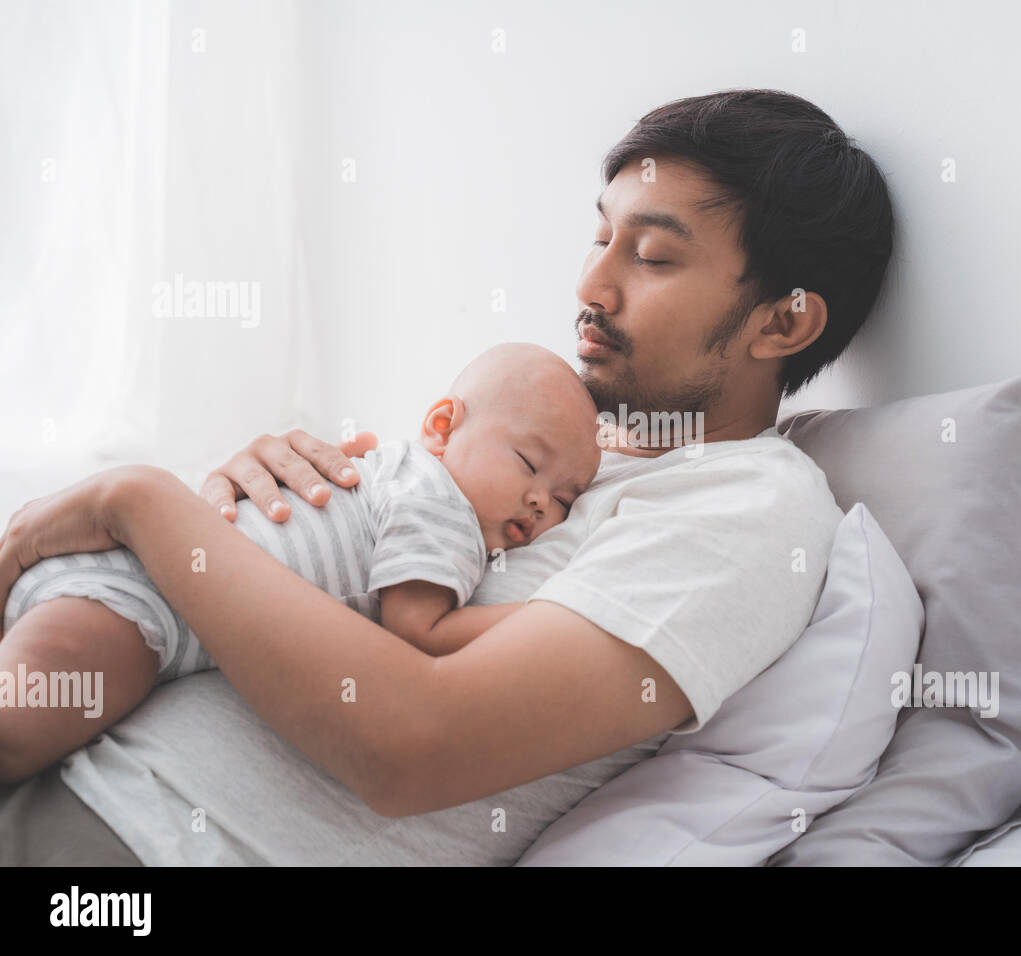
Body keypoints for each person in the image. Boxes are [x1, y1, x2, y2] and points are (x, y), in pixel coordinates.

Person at [0, 88, 893, 865]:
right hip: (68, 753)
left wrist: (143, 506)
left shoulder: (745, 506)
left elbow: (413, 745)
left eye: (652, 257)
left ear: (783, 324)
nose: (593, 283)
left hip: (125, 843)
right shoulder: (545, 432)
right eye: (599, 236)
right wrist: (246, 513)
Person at [0, 343, 602, 782]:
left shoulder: (389, 472)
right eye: (528, 463)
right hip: (138, 601)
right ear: (442, 427)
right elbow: (420, 630)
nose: (539, 501)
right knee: (15, 738)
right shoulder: (445, 509)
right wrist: (553, 614)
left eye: (564, 499)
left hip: (119, 572)